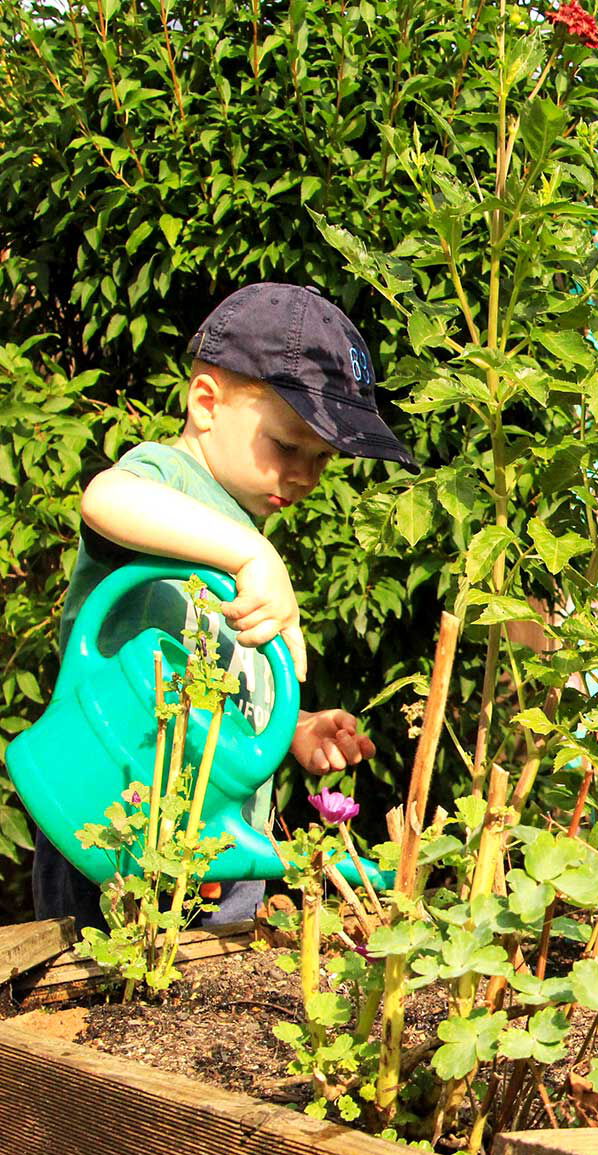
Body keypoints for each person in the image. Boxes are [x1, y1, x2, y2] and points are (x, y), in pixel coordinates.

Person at [31, 282, 418, 931]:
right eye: (288, 446)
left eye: (323, 460)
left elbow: (221, 682)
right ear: (205, 403)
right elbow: (103, 499)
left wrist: (292, 731)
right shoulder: (168, 483)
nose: (305, 475)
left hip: (217, 845)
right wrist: (248, 554)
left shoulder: (241, 532)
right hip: (109, 826)